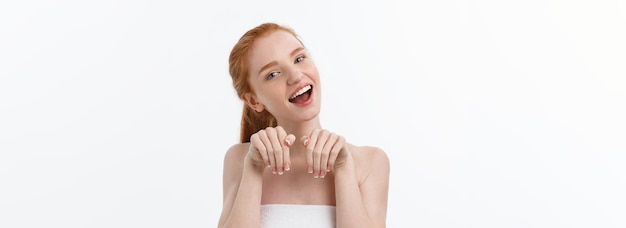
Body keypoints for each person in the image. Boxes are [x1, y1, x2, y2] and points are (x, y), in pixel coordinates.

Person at [217, 22, 390, 228]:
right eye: (272, 74)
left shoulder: (370, 163)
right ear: (254, 101)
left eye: (299, 59)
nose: (296, 76)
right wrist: (254, 167)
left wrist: (344, 169)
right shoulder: (239, 161)